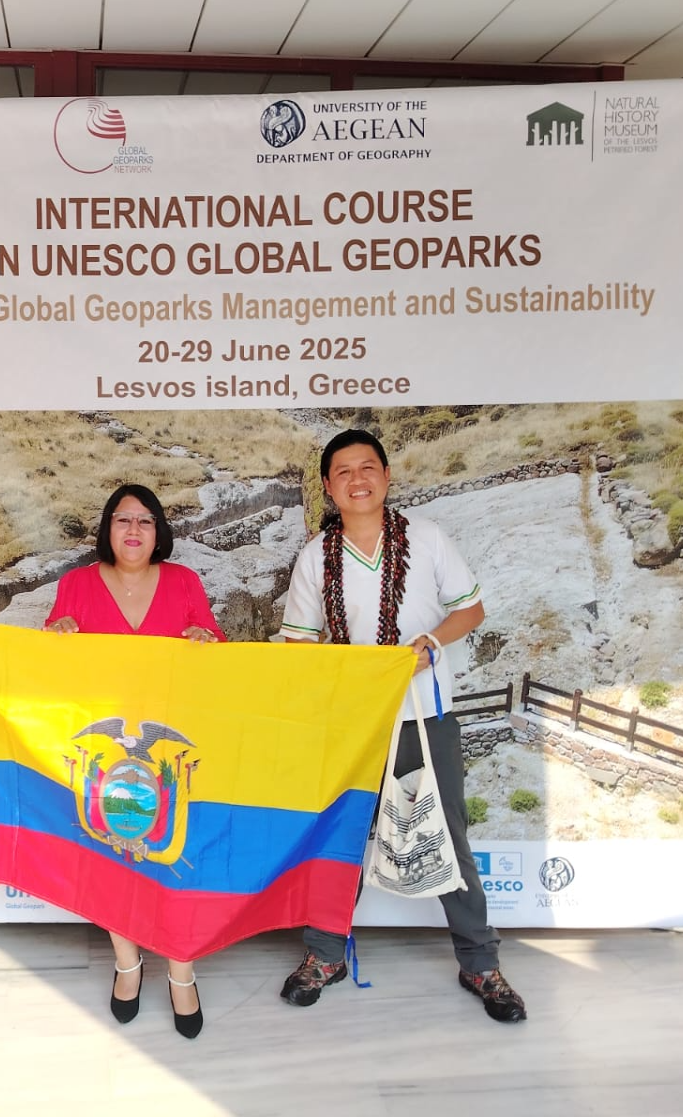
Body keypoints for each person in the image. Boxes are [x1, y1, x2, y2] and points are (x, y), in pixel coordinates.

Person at [277, 429, 526, 1023]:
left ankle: (480, 962)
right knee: (339, 836)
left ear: (387, 477)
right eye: (343, 472)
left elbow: (471, 609)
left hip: (425, 712)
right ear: (328, 487)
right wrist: (340, 675)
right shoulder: (316, 557)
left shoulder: (427, 538)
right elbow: (300, 642)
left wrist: (430, 643)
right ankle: (325, 954)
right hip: (352, 724)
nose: (357, 480)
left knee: (446, 832)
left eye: (368, 468)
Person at [45, 483, 224, 1039]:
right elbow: (48, 664)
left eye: (145, 521)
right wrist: (57, 637)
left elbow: (217, 651)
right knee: (111, 853)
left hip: (171, 748)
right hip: (105, 754)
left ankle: (181, 969)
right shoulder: (75, 585)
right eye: (123, 519)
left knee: (177, 851)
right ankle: (128, 962)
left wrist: (205, 640)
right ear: (107, 528)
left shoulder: (184, 581)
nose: (133, 530)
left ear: (158, 532)